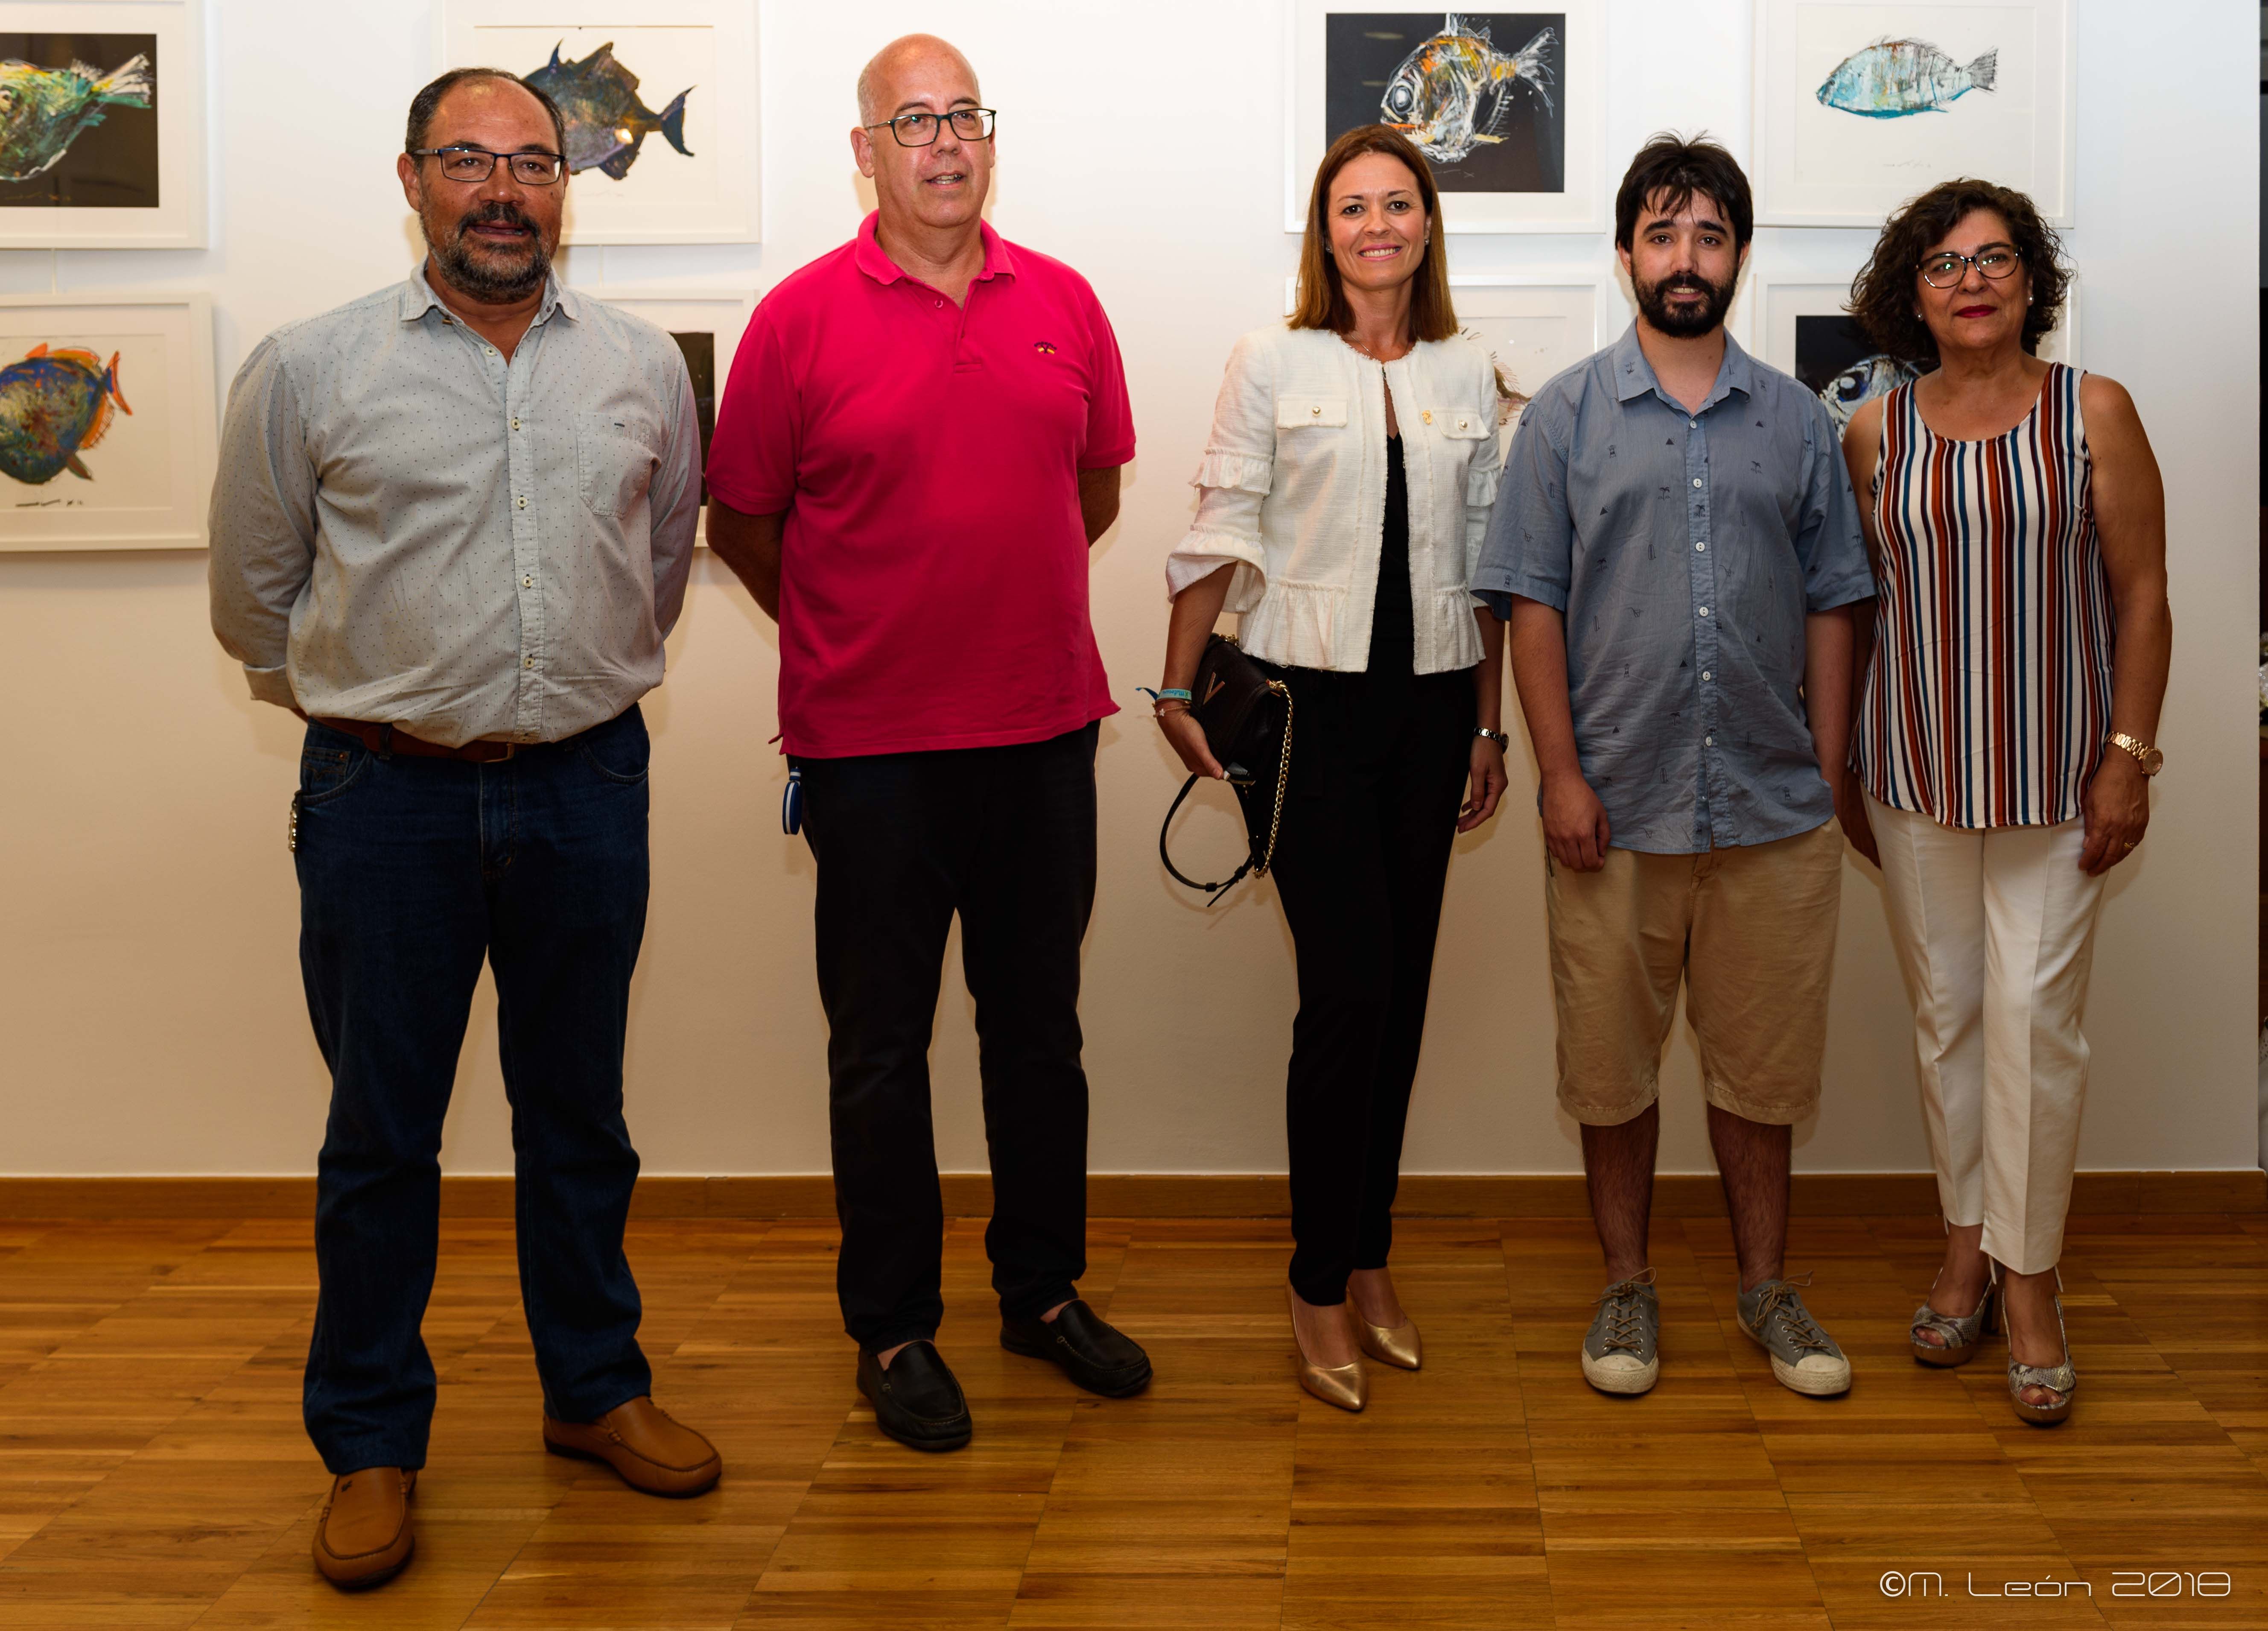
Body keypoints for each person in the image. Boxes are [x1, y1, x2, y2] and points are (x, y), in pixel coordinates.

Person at [207, 68, 721, 1591]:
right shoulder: (309, 370)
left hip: (585, 784)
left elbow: (664, 555)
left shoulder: (640, 364)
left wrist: (564, 686)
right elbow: (255, 599)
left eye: (534, 164)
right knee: (382, 1139)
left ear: (569, 185)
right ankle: (370, 1442)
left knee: (580, 1117)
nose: (505, 190)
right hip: (386, 800)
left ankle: (594, 1389)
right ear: (412, 179)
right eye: (468, 162)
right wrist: (388, 702)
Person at [702, 34, 1150, 1455]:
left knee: (1039, 1038)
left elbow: (1088, 496)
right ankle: (892, 1327)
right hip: (870, 755)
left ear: (989, 139)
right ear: (866, 152)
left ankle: (1040, 1292)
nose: (944, 142)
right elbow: (746, 525)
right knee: (880, 1053)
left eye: (964, 116)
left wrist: (977, 600)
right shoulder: (796, 320)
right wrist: (861, 630)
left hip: (1041, 735)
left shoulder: (1064, 303)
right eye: (913, 121)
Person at [1478, 134, 1875, 1400]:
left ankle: (1765, 1289)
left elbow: (1833, 601)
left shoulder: (1799, 424)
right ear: (1626, 255)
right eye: (1661, 234)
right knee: (1609, 1066)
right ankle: (1628, 1287)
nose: (1685, 258)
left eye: (1707, 235)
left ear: (1737, 257)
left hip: (1771, 809)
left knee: (1762, 1074)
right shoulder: (1562, 418)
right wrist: (1556, 774)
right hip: (1613, 803)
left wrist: (1822, 765)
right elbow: (1529, 603)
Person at [1157, 125, 1511, 1413]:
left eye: (1397, 204)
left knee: (1400, 993)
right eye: (1352, 206)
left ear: (1425, 225)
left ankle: (1369, 1257)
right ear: (1326, 230)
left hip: (1428, 713)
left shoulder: (1472, 371)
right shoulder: (1272, 358)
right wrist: (1171, 680)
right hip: (1303, 714)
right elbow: (1218, 523)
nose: (1376, 225)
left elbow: (1490, 577)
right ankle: (1313, 1279)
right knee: (1347, 991)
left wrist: (1485, 727)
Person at [1839, 179, 2169, 1426]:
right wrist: (1843, 766)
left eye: (1992, 259)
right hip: (1916, 773)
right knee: (1949, 1018)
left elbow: (2142, 592)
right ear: (1909, 293)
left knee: (2036, 1023)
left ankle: (2029, 1283)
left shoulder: (2093, 412)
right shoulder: (1873, 432)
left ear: (2029, 280)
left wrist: (2128, 754)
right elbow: (1860, 612)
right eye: (1941, 263)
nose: (1969, 280)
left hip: (2059, 780)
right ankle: (1963, 1244)